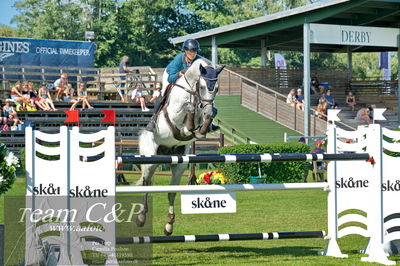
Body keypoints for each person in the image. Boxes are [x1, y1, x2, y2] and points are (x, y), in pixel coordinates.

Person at [147, 39, 219, 132]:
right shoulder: (178, 59)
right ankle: (153, 119)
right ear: (185, 51)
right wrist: (180, 73)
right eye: (190, 51)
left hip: (188, 80)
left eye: (195, 51)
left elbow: (207, 71)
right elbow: (171, 78)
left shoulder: (199, 60)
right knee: (164, 90)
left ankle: (208, 123)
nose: (193, 53)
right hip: (172, 75)